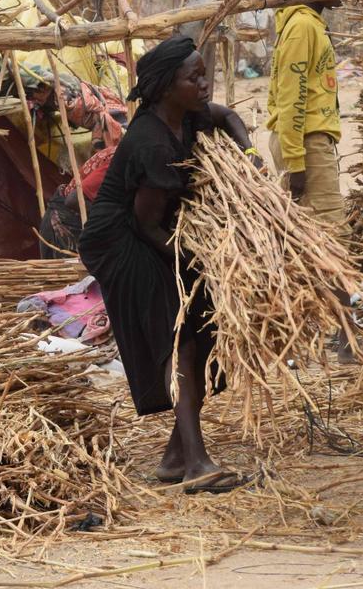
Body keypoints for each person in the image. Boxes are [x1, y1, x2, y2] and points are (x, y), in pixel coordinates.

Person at [79, 34, 259, 493]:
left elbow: (229, 116)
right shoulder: (151, 144)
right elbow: (146, 224)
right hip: (124, 242)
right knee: (177, 335)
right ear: (164, 88)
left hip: (159, 236)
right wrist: (206, 261)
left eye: (204, 73)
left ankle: (175, 457)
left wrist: (249, 155)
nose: (204, 84)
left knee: (199, 329)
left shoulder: (186, 116)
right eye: (193, 78)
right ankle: (197, 463)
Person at [266, 0, 356, 361]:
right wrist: (297, 163)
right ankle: (344, 334)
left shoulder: (307, 24)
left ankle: (312, 332)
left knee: (309, 238)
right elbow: (292, 97)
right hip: (306, 142)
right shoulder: (303, 26)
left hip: (308, 140)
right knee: (332, 237)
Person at [38, 143, 116, 258]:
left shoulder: (123, 155)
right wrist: (113, 220)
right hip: (64, 227)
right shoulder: (117, 162)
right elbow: (73, 199)